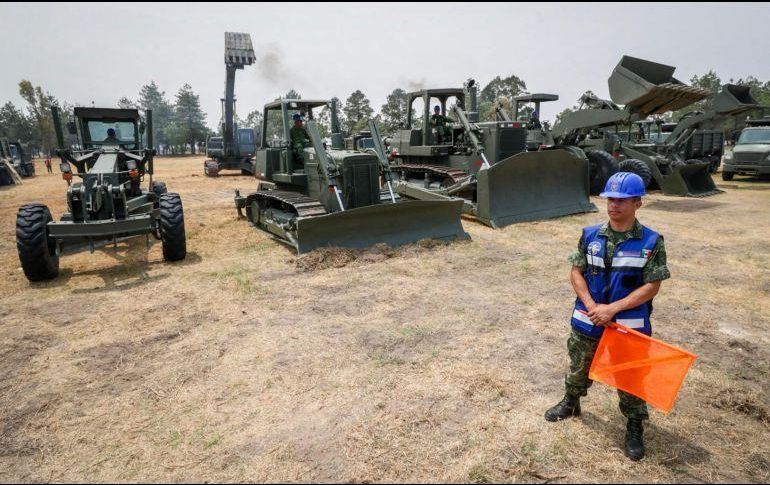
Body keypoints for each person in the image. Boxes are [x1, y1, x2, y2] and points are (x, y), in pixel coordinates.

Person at [544, 171, 670, 462]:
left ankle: (634, 425)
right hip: (588, 318)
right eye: (611, 199)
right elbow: (576, 271)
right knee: (579, 365)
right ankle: (571, 403)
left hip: (628, 325)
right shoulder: (590, 235)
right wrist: (591, 305)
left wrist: (612, 309)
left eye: (622, 200)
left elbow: (652, 285)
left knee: (630, 377)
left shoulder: (651, 241)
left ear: (638, 203)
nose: (614, 205)